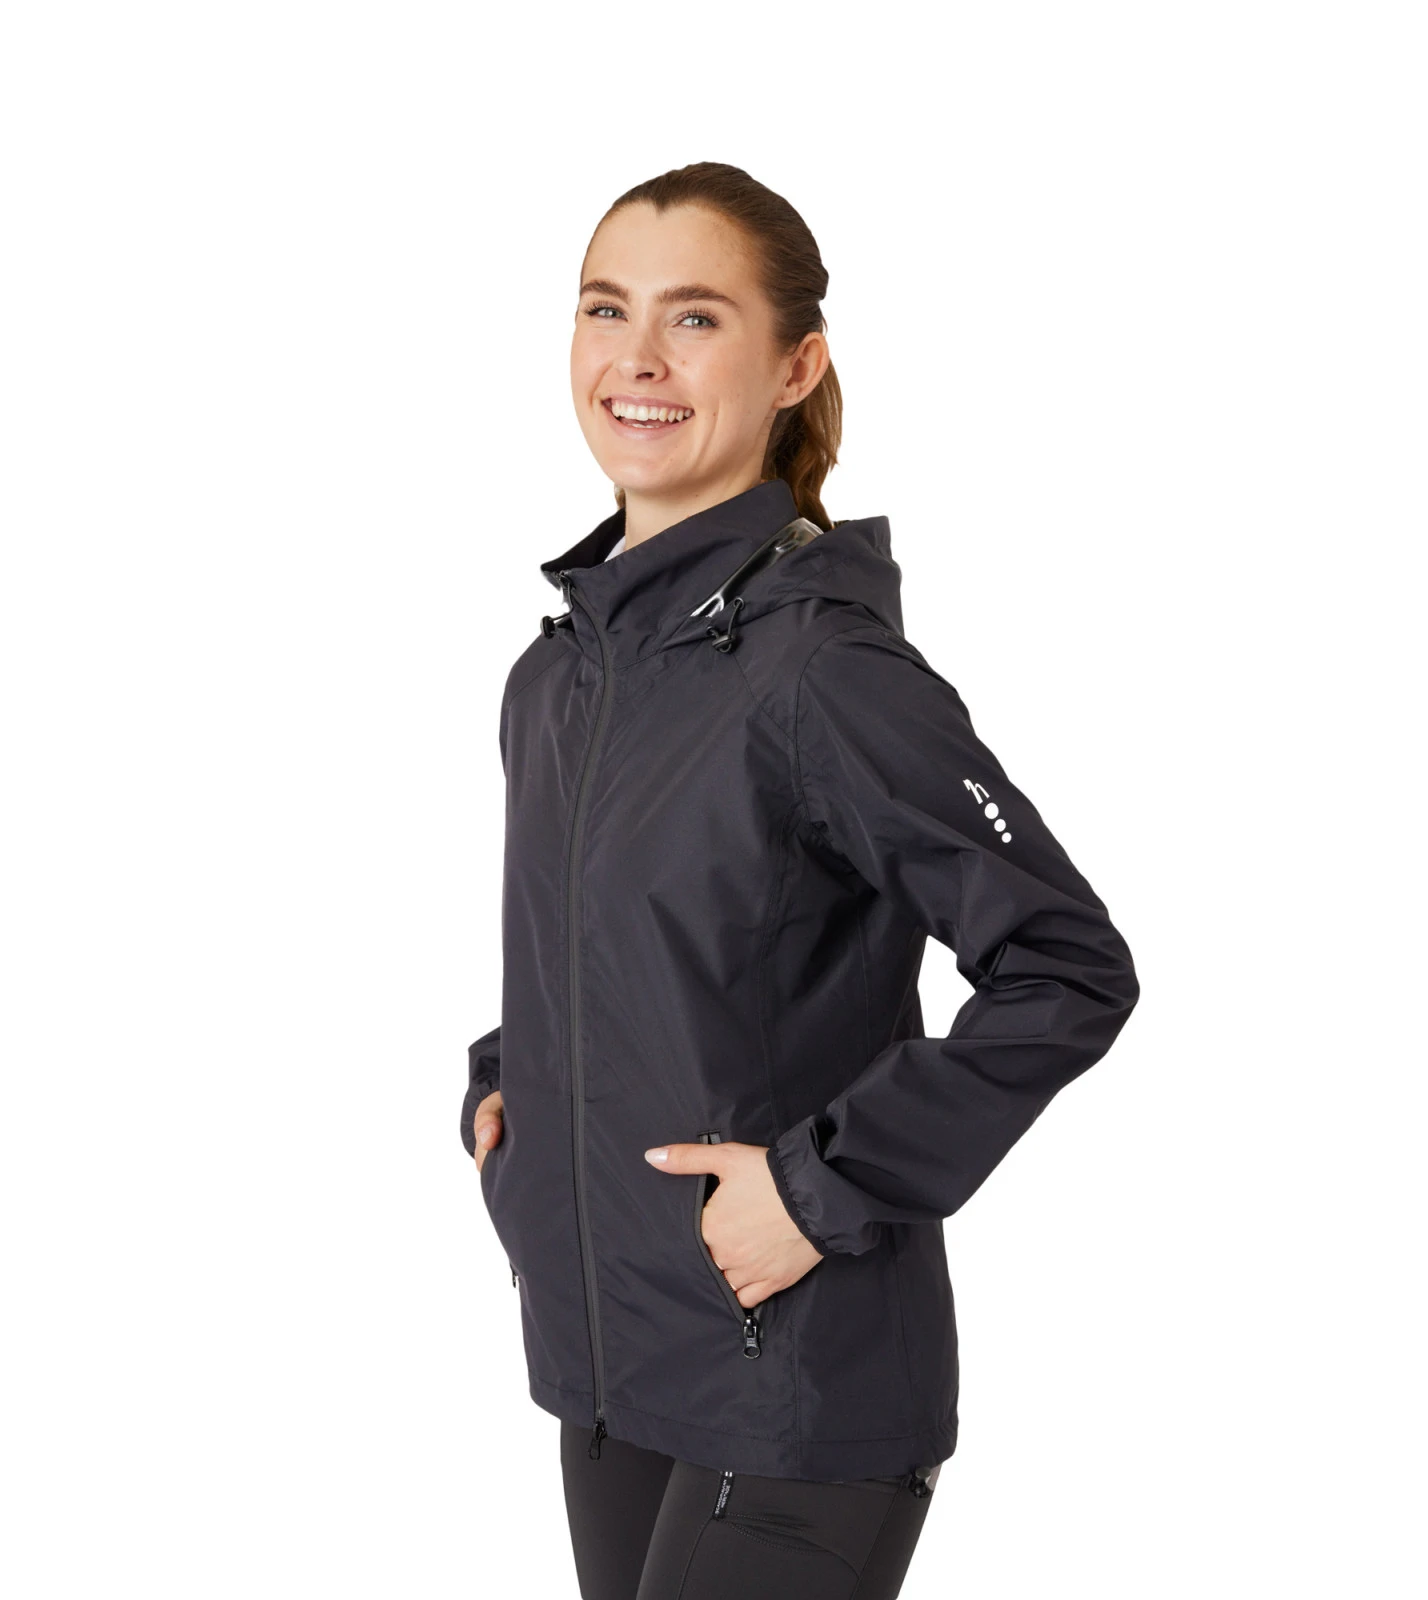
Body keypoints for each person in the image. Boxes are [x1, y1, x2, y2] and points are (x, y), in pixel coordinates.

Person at [461, 161, 1140, 1600]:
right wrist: (507, 1096)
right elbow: (632, 953)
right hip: (609, 1363)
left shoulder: (823, 672)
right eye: (606, 309)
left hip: (793, 1381)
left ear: (795, 368)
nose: (638, 358)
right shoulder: (557, 676)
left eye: (696, 318)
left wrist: (819, 1188)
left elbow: (1067, 967)